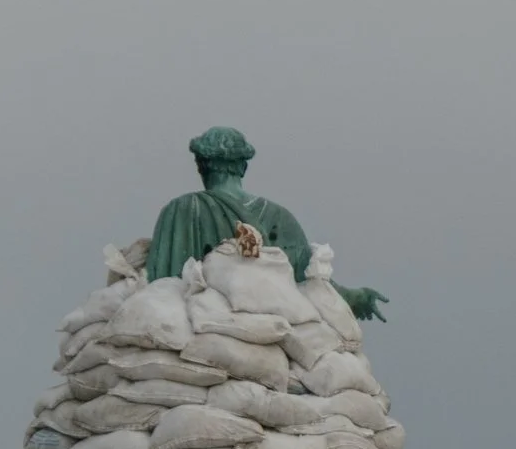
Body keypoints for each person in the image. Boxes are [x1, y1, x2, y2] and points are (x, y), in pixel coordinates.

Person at [145, 127, 387, 321]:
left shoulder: (182, 210)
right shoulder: (281, 218)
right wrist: (355, 297)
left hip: (201, 331)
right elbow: (310, 281)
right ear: (244, 167)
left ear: (200, 165)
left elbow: (163, 286)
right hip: (273, 329)